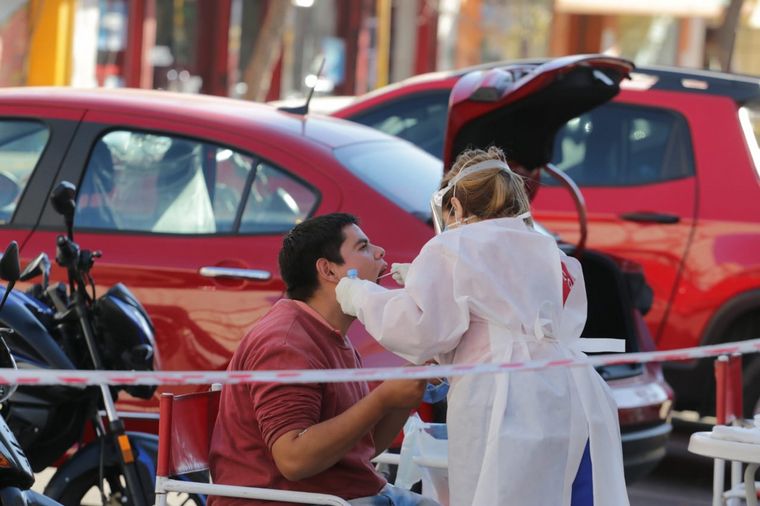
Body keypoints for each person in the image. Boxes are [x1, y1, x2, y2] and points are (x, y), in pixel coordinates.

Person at [336, 147, 629, 506]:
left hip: (505, 398)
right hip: (572, 392)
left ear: (456, 206)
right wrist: (423, 281)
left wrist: (361, 296)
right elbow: (503, 301)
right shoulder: (551, 252)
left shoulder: (454, 245)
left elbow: (422, 331)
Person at [208, 213, 440, 506]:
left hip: (347, 494)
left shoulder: (327, 332)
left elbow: (362, 447)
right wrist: (383, 399)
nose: (380, 252)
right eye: (363, 247)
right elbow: (293, 460)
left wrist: (404, 394)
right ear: (329, 271)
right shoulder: (286, 344)